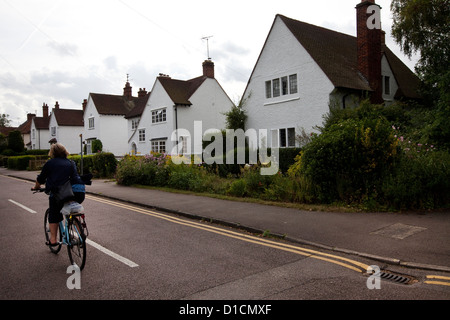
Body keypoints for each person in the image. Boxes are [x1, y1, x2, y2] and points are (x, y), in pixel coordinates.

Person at [32, 143, 85, 246]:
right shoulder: (71, 162)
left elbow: (41, 179)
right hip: (79, 192)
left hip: (61, 193)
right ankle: (80, 235)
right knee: (73, 210)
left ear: (52, 153)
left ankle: (53, 240)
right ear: (65, 151)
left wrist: (36, 187)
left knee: (54, 214)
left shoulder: (50, 163)